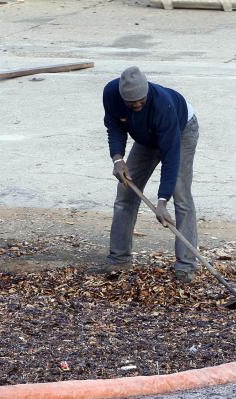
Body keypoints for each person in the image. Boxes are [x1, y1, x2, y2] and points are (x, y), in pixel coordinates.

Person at [102, 66, 199, 282]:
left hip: (180, 132)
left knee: (180, 195)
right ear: (122, 96)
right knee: (125, 193)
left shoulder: (163, 105)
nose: (136, 105)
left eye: (141, 101)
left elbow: (171, 158)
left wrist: (162, 200)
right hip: (146, 138)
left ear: (147, 92)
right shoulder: (110, 94)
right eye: (131, 103)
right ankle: (119, 259)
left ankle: (186, 265)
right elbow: (114, 126)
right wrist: (118, 159)